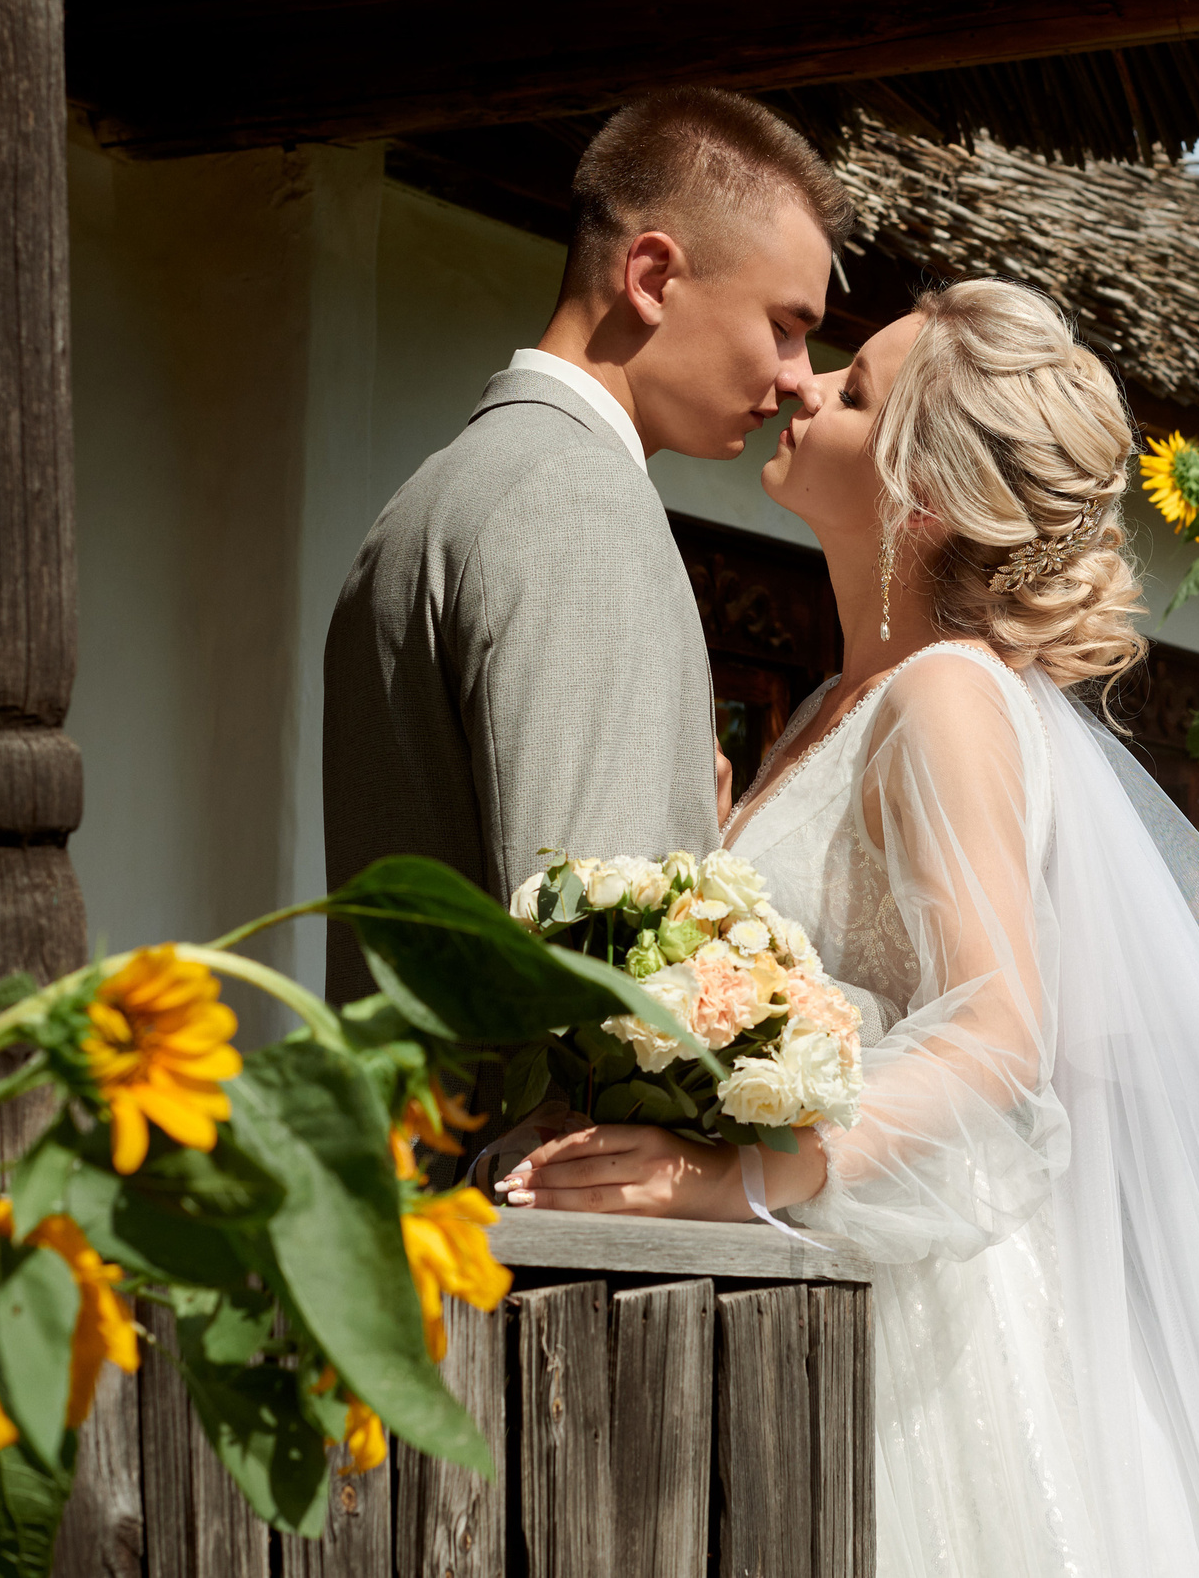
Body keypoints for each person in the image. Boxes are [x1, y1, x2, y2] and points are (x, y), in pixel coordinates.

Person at [498, 280, 1199, 1576]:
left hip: (936, 1337)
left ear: (923, 492)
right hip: (835, 1303)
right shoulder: (843, 699)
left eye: (857, 389)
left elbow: (1000, 1028)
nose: (804, 384)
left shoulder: (945, 696)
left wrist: (749, 1178)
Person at [321, 87, 853, 1000]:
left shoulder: (428, 496)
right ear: (650, 276)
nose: (801, 379)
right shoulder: (581, 503)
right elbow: (602, 974)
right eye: (785, 326)